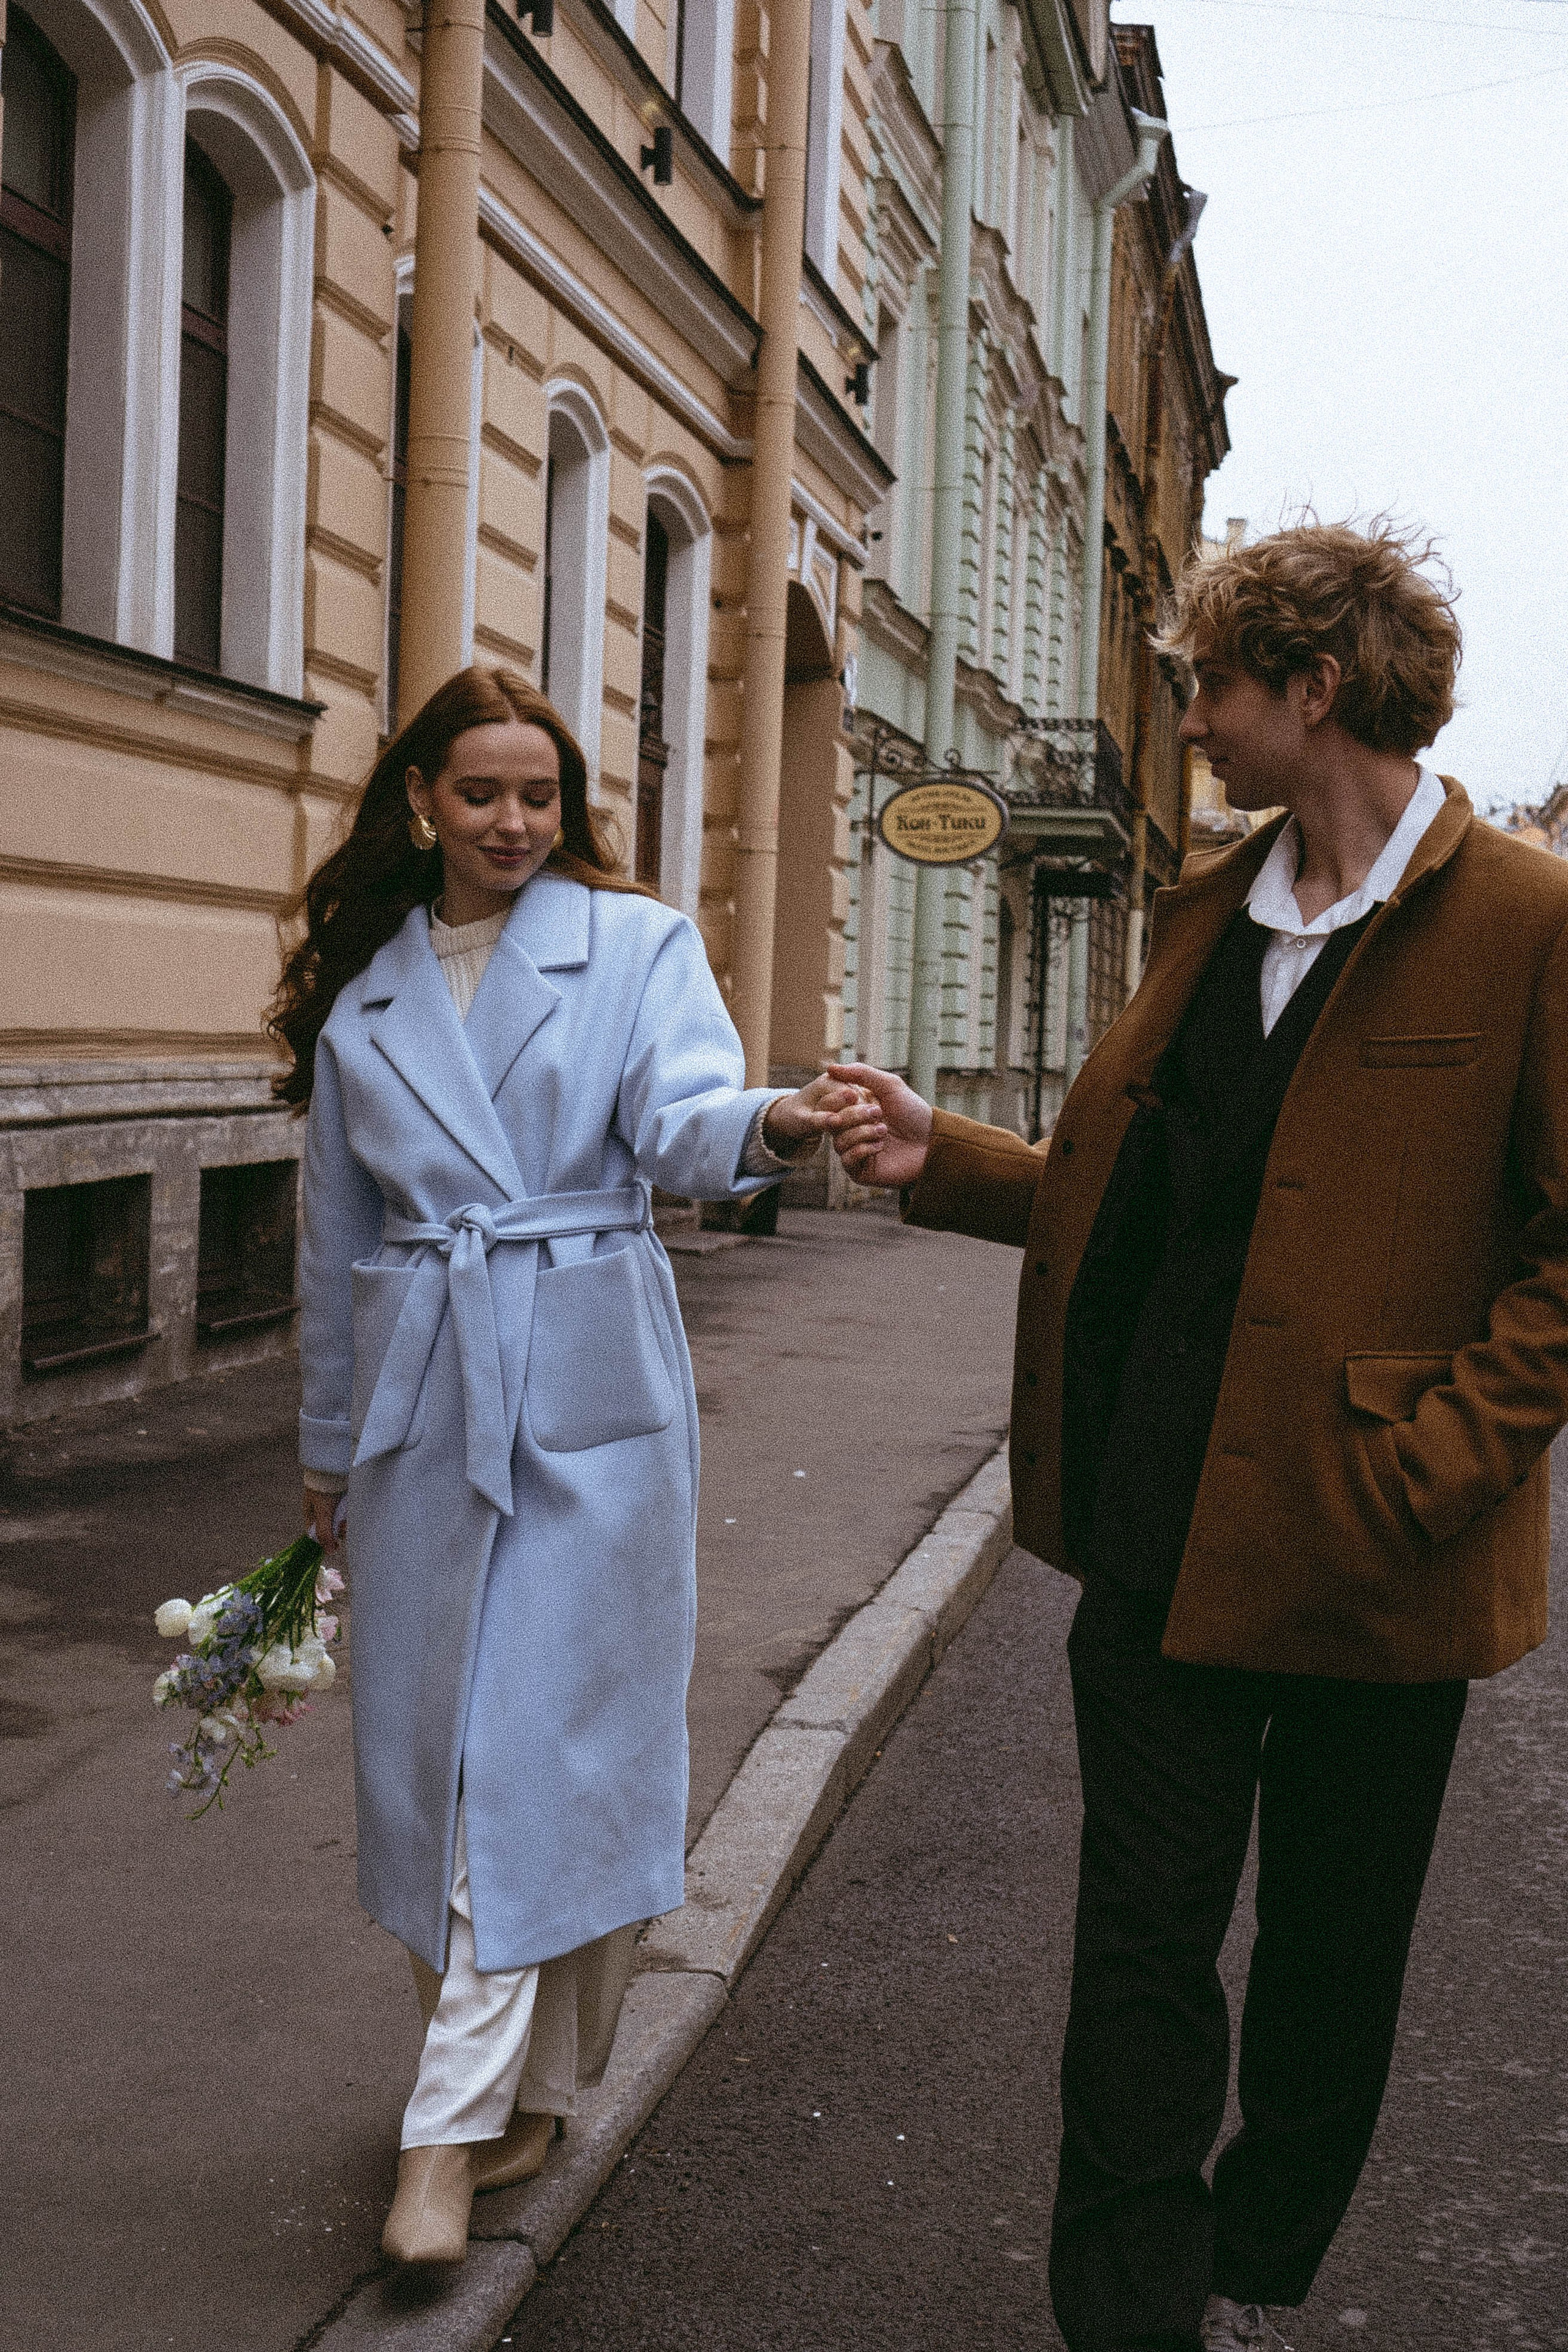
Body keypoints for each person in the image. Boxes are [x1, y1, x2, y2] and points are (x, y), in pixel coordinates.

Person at [827, 523, 1568, 2352]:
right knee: (1140, 1960)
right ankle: (1135, 2317)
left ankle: (1257, 2257)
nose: (1190, 728)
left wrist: (1439, 1464)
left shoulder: (1530, 923)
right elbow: (1157, 1193)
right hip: (1157, 1524)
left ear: (1313, 690)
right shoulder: (1206, 907)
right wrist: (962, 1162)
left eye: (1209, 689)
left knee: (1327, 1972)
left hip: (1372, 1553)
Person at [270, 666, 852, 2265]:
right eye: (482, 794)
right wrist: (327, 1453)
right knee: (428, 1773)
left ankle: (440, 2149)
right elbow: (337, 1248)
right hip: (416, 1411)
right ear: (422, 806)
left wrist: (777, 1118)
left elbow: (678, 1122)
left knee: (524, 1768)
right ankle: (522, 2088)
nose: (515, 821)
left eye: (541, 794)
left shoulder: (637, 947)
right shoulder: (367, 1001)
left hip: (584, 1395)